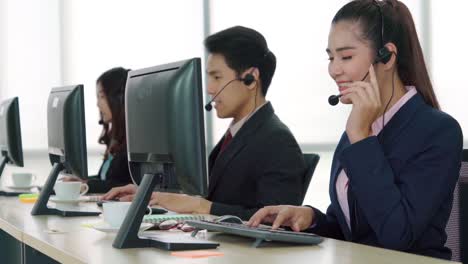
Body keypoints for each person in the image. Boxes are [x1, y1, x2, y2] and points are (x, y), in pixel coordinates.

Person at [248, 0, 463, 260]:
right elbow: (353, 228)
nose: (333, 69)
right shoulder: (360, 126)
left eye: (346, 57)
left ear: (387, 56)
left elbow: (397, 234)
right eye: (331, 57)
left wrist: (361, 136)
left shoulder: (438, 131)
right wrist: (310, 217)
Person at [102, 26, 306, 220]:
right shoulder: (237, 134)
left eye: (217, 77)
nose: (209, 88)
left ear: (251, 79)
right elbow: (209, 195)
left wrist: (202, 206)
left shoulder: (276, 140)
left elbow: (276, 220)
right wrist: (149, 193)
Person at [62, 67, 134, 193]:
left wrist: (87, 186)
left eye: (102, 96)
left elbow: (125, 185)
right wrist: (83, 181)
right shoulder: (116, 138)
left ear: (119, 98)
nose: (98, 104)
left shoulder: (134, 140)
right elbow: (105, 179)